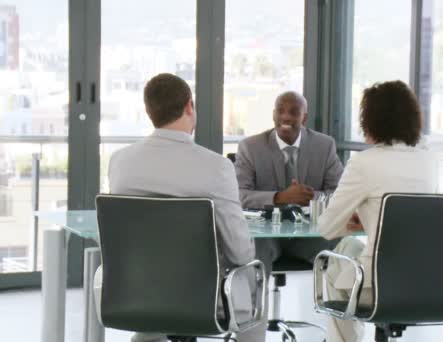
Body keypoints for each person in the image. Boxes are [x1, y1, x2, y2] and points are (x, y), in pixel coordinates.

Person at [94, 73, 257, 342]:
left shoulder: (120, 162)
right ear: (189, 106)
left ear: (148, 111)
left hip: (134, 296)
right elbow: (240, 253)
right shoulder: (217, 167)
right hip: (200, 302)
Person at [318, 80, 443, 342]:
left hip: (378, 286)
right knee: (349, 249)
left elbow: (326, 228)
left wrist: (357, 221)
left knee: (336, 259)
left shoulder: (364, 163)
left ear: (371, 120)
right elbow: (412, 220)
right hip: (430, 283)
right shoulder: (429, 162)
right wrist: (371, 221)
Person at [234, 91, 344, 339]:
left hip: (307, 238)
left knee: (346, 248)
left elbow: (340, 192)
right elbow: (239, 195)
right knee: (255, 255)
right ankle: (251, 336)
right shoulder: (250, 147)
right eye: (279, 110)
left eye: (293, 112)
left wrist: (309, 197)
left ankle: (343, 333)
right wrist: (280, 197)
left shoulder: (324, 145)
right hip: (264, 238)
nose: (285, 117)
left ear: (304, 117)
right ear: (273, 114)